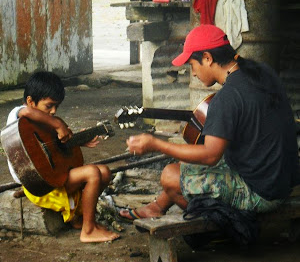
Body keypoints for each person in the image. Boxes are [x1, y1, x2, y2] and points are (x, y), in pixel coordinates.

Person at [120, 24, 300, 221]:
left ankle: (222, 222)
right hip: (281, 178)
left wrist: (156, 144)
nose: (194, 73)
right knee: (186, 160)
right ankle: (157, 206)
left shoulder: (227, 97)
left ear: (207, 58)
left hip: (262, 193)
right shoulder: (261, 72)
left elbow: (210, 156)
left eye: (192, 65)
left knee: (170, 176)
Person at [6, 71, 119, 243]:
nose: (53, 112)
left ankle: (80, 218)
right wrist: (58, 124)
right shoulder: (17, 115)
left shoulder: (45, 121)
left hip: (55, 177)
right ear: (30, 101)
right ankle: (88, 230)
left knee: (104, 172)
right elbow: (27, 113)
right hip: (38, 185)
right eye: (49, 106)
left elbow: (56, 149)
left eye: (56, 107)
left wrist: (77, 141)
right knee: (92, 172)